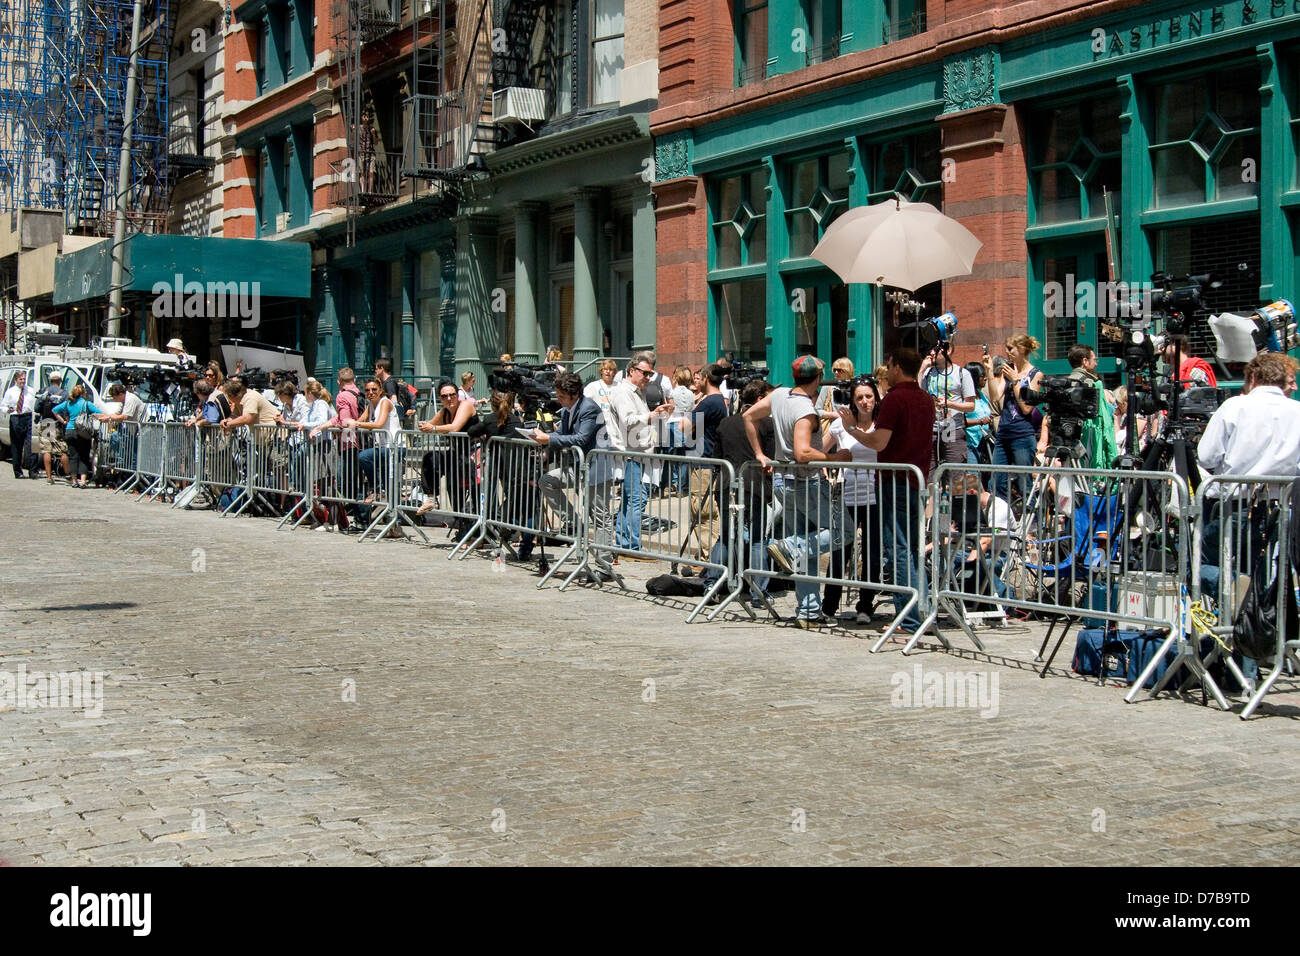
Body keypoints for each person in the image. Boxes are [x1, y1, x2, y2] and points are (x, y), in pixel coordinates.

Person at [1197, 351, 1300, 699]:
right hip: (1277, 506)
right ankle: (1250, 664)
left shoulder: (1235, 407)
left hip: (1237, 505)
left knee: (1210, 572)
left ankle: (1237, 662)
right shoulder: (1296, 411)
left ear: (1253, 378)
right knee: (1261, 585)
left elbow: (1206, 455)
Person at [744, 355, 852, 627]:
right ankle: (788, 546)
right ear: (817, 378)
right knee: (842, 531)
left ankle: (808, 611)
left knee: (808, 549)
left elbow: (748, 415)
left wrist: (760, 453)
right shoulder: (805, 409)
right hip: (805, 481)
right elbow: (803, 452)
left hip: (784, 481)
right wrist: (835, 459)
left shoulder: (779, 394)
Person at [835, 348, 934, 635]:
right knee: (913, 550)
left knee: (900, 550)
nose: (886, 371)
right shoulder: (926, 399)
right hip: (916, 480)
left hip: (895, 479)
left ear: (898, 367)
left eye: (889, 365)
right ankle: (921, 613)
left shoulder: (895, 398)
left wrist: (851, 429)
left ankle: (910, 618)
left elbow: (878, 442)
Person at [821, 375, 882, 624]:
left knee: (872, 553)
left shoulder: (883, 424)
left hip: (876, 495)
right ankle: (829, 606)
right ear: (853, 401)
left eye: (869, 396)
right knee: (840, 552)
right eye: (860, 397)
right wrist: (827, 467)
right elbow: (821, 450)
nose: (865, 402)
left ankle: (865, 605)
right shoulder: (840, 425)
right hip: (847, 495)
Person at [533, 371, 609, 566]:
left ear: (574, 394)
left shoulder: (588, 408)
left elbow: (581, 438)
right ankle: (574, 523)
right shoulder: (568, 409)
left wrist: (549, 438)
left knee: (599, 516)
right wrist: (547, 434)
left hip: (596, 468)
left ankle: (604, 564)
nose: (558, 400)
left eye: (562, 396)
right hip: (578, 466)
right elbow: (565, 434)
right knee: (547, 480)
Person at [608, 352, 672, 557]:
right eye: (644, 373)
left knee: (631, 500)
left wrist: (656, 414)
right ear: (632, 371)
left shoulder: (637, 391)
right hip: (630, 453)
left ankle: (625, 543)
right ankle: (632, 546)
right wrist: (652, 415)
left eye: (650, 374)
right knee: (635, 500)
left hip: (637, 453)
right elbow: (628, 421)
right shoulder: (623, 392)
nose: (648, 378)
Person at [985, 333, 1044, 502]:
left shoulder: (1035, 374)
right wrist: (989, 371)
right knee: (997, 482)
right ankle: (1001, 520)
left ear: (1022, 349)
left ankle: (1031, 521)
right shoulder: (1008, 370)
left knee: (1024, 483)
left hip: (1022, 433)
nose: (1007, 352)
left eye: (1010, 348)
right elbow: (995, 397)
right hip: (1004, 432)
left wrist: (1016, 381)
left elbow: (1026, 408)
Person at [1049, 344, 1116, 469]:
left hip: (1066, 435)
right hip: (1089, 438)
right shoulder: (1094, 385)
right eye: (1094, 360)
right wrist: (1111, 456)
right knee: (1087, 478)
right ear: (1085, 361)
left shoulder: (1063, 384)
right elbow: (1106, 424)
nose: (1096, 364)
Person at [920, 346, 976, 478]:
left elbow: (971, 406)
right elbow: (918, 395)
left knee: (955, 476)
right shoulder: (928, 373)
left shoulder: (961, 373)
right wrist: (922, 369)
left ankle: (953, 498)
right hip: (932, 430)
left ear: (948, 350)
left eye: (936, 349)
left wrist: (949, 404)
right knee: (929, 476)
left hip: (951, 428)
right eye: (931, 349)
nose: (932, 352)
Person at [353, 378, 402, 500]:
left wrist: (356, 424)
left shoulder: (385, 402)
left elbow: (379, 424)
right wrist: (345, 424)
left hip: (395, 446)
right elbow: (360, 420)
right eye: (367, 390)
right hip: (383, 447)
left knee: (364, 456)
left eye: (374, 389)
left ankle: (377, 489)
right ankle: (394, 513)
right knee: (389, 482)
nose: (370, 392)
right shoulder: (370, 405)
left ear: (380, 391)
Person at [51, 384, 103, 488]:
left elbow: (54, 410)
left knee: (73, 456)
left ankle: (74, 481)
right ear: (83, 393)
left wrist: (64, 421)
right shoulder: (86, 404)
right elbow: (100, 413)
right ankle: (83, 481)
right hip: (83, 431)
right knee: (83, 456)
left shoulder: (68, 403)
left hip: (69, 430)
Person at [34, 372, 69, 482]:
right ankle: (69, 475)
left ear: (50, 380)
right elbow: (66, 409)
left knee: (46, 451)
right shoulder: (64, 393)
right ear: (60, 381)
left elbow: (36, 407)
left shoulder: (44, 391)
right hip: (57, 424)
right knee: (63, 450)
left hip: (45, 423)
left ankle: (49, 477)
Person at [666, 365, 696, 492]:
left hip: (673, 422)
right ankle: (682, 485)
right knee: (684, 456)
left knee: (673, 455)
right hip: (687, 423)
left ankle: (674, 482)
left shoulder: (672, 392)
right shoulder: (691, 393)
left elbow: (670, 408)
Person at [1, 369, 35, 479]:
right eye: (21, 379)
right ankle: (18, 471)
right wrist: (8, 410)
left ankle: (32, 470)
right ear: (16, 380)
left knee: (31, 445)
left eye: (24, 379)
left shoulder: (30, 390)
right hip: (16, 418)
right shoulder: (10, 392)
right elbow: (3, 406)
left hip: (28, 417)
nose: (23, 381)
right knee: (16, 446)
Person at [964, 362, 995, 466]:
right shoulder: (963, 398)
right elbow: (959, 421)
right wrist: (979, 421)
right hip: (970, 445)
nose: (985, 378)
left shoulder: (982, 396)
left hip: (984, 444)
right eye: (982, 376)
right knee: (973, 477)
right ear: (973, 378)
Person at [583, 359, 618, 434]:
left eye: (611, 369)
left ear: (614, 372)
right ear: (601, 371)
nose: (608, 371)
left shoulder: (620, 386)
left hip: (615, 426)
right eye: (605, 369)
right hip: (599, 424)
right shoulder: (593, 386)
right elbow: (583, 403)